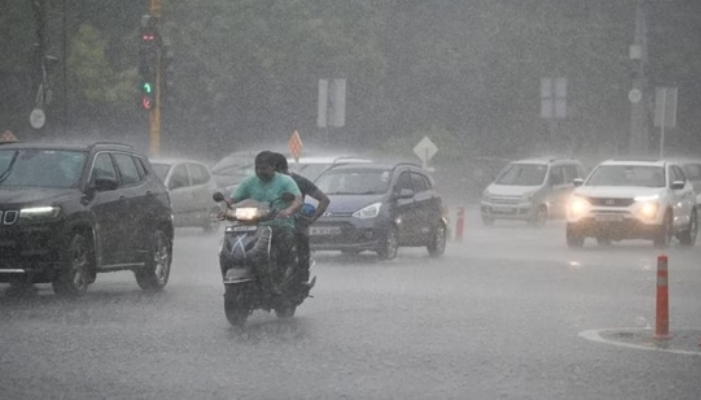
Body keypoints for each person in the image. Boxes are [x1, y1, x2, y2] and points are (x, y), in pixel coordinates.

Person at [228, 151, 303, 270]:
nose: (260, 172)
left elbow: (298, 200)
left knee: (284, 246)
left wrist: (288, 211)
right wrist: (225, 207)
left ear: (273, 167)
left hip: (279, 225)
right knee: (230, 242)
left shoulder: (285, 181)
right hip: (253, 226)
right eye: (257, 168)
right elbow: (232, 199)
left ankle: (280, 274)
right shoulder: (250, 181)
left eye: (263, 168)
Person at [270, 152, 330, 282]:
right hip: (268, 222)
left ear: (279, 169)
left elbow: (324, 200)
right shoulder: (262, 183)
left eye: (269, 170)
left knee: (301, 239)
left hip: (292, 222)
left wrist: (312, 219)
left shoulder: (299, 181)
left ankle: (303, 278)